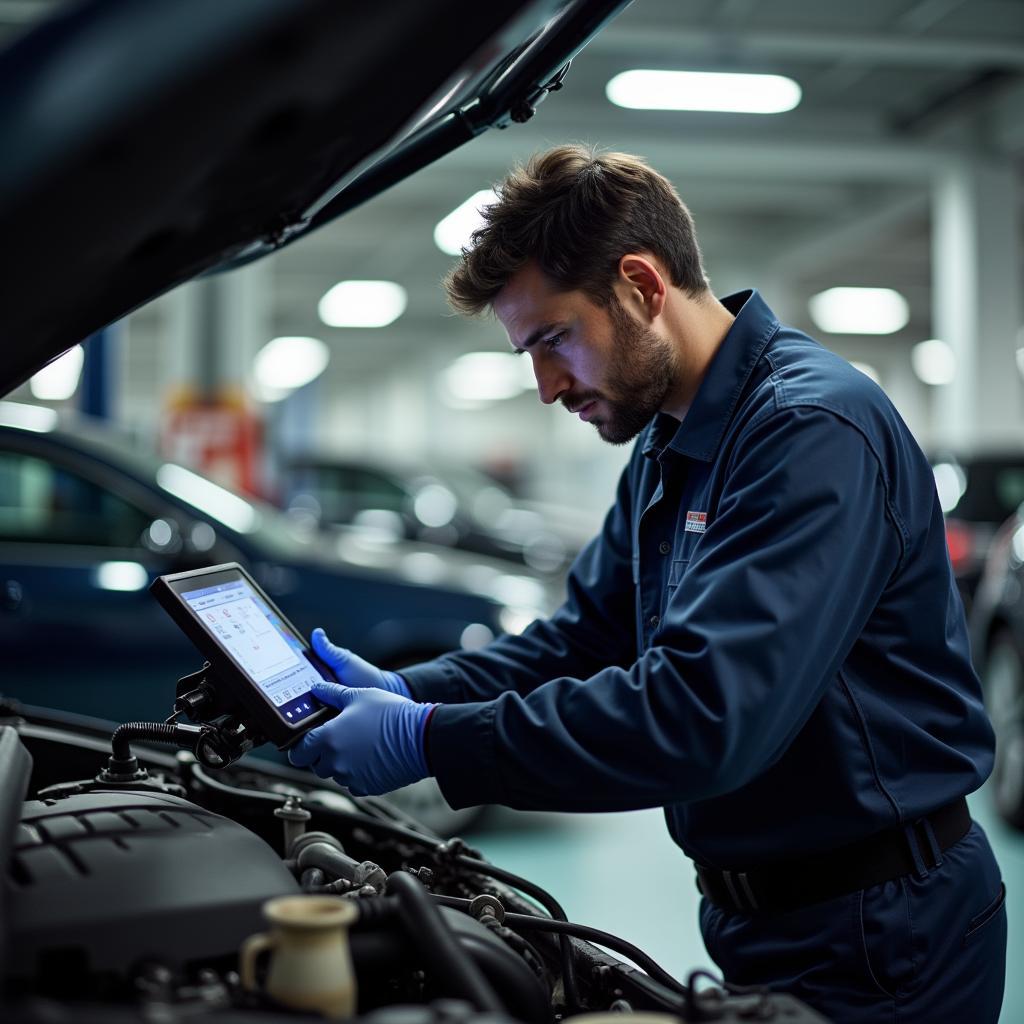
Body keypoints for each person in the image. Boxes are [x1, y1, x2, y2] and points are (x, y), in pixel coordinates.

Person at [289, 145, 1007, 1022]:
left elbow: (703, 715)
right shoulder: (672, 442)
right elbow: (584, 637)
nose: (547, 385)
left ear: (640, 283)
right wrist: (410, 689)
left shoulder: (807, 431)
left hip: (881, 931)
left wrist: (429, 742)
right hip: (765, 919)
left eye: (555, 339)